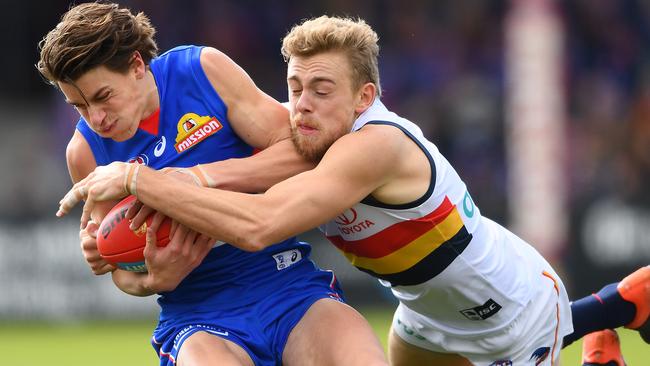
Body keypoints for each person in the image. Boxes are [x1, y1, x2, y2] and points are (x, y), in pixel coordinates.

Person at [58, 15, 650, 366]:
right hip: (420, 312)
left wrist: (148, 180)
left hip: (509, 307)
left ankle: (608, 317)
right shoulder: (312, 134)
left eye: (321, 89)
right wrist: (142, 277)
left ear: (365, 98)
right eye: (294, 89)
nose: (301, 108)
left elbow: (262, 220)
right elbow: (122, 264)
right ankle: (614, 307)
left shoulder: (371, 146)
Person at [39, 4, 387, 366]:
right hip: (197, 316)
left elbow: (303, 153)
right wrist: (152, 279)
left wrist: (198, 179)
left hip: (287, 285)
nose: (95, 119)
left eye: (102, 97)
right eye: (78, 106)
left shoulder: (200, 71)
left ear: (137, 66)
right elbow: (121, 273)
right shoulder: (84, 152)